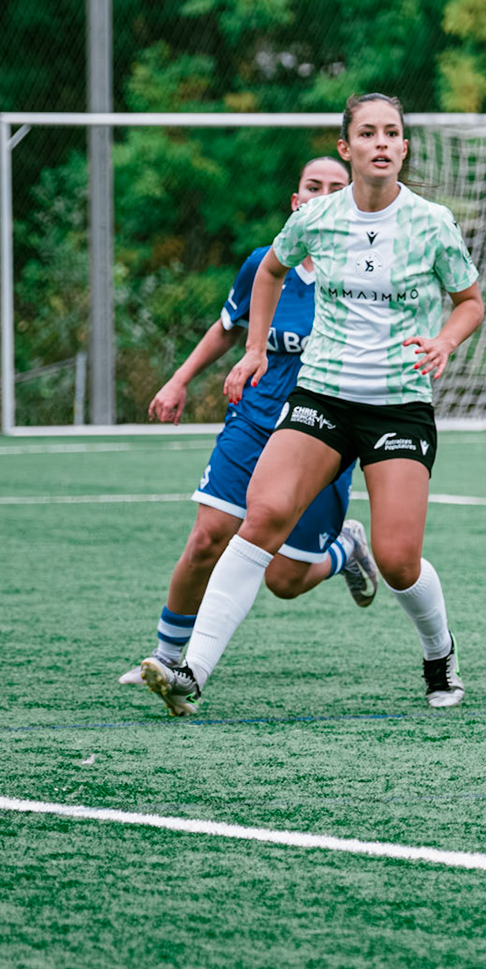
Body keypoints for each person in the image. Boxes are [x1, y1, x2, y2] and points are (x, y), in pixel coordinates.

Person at [140, 93, 483, 715]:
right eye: (368, 133)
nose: (382, 143)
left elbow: (470, 302)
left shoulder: (432, 222)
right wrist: (254, 350)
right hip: (322, 394)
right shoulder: (318, 218)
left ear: (404, 147)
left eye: (392, 133)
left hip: (397, 406)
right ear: (347, 147)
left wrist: (445, 341)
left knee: (398, 562)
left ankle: (440, 655)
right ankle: (192, 672)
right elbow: (270, 271)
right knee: (263, 516)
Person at [119, 157, 378, 693]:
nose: (323, 194)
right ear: (296, 202)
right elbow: (227, 327)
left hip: (322, 434)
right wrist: (179, 380)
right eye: (312, 186)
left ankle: (346, 549)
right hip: (254, 420)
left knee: (285, 579)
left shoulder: (365, 275)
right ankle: (166, 657)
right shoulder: (265, 265)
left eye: (336, 187)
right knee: (207, 537)